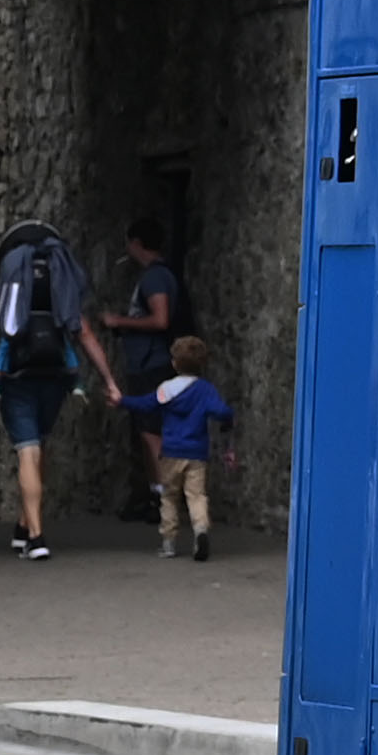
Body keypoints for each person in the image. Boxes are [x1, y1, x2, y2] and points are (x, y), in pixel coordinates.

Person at [0, 219, 93, 560]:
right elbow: (80, 329)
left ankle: (36, 537)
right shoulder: (61, 280)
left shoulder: (0, 283)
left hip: (15, 377)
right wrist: (107, 380)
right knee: (39, 448)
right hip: (54, 375)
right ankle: (24, 528)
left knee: (28, 451)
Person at [90, 216, 190, 524]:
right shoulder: (159, 275)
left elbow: (160, 320)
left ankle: (165, 500)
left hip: (152, 365)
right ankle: (157, 494)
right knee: (148, 433)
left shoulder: (155, 278)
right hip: (150, 364)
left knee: (151, 433)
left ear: (136, 244)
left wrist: (118, 322)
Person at [135, 335, 236, 563]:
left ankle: (169, 543)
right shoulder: (206, 389)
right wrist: (228, 418)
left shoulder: (167, 389)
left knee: (169, 497)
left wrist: (123, 401)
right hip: (197, 453)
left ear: (174, 363)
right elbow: (221, 411)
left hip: (171, 451)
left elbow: (147, 403)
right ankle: (200, 530)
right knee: (196, 495)